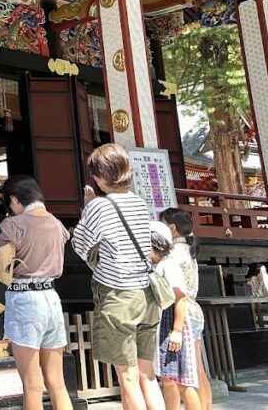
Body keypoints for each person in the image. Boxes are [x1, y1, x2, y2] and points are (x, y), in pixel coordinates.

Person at [72, 144, 162, 410]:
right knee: (148, 375)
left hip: (118, 296)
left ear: (100, 177)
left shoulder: (99, 206)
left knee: (127, 377)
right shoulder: (138, 202)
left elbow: (80, 245)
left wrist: (88, 208)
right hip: (146, 295)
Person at [0, 175, 73, 410]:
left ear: (15, 200)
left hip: (26, 298)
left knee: (32, 383)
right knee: (57, 382)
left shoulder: (15, 224)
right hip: (51, 297)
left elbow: (2, 263)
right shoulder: (57, 224)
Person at [160, 208, 211, 410]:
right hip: (194, 309)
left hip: (181, 314)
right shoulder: (188, 249)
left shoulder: (173, 253)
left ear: (172, 227)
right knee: (197, 369)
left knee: (184, 375)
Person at [150, 221, 200, 410]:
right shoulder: (157, 265)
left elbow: (180, 298)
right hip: (162, 322)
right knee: (168, 378)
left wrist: (177, 330)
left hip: (172, 322)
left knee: (182, 381)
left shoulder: (168, 265)